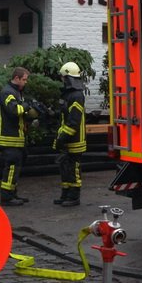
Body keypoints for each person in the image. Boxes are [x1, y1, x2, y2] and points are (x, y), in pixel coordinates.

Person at [0, 67, 37, 207]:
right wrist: (26, 106)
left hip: (17, 138)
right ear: (17, 78)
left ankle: (13, 193)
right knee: (12, 167)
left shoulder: (17, 92)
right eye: (24, 79)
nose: (26, 82)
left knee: (16, 168)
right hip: (9, 138)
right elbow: (14, 110)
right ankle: (7, 197)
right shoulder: (7, 92)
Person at [53, 62, 87, 207]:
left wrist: (61, 138)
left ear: (67, 78)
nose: (61, 80)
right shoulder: (68, 94)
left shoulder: (77, 96)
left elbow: (73, 122)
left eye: (63, 77)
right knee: (65, 168)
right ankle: (65, 194)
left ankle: (74, 197)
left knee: (74, 170)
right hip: (67, 139)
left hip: (75, 140)